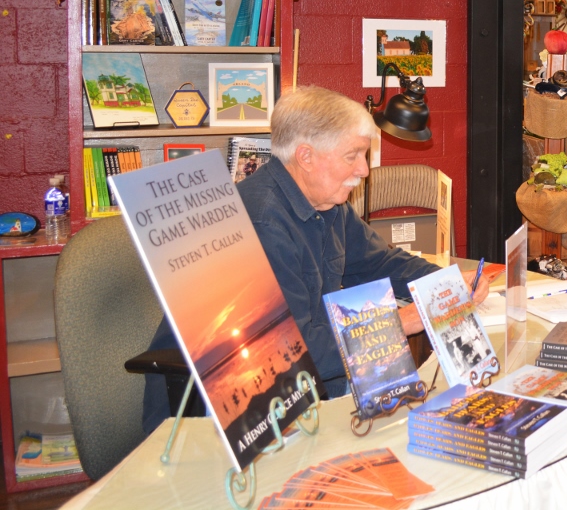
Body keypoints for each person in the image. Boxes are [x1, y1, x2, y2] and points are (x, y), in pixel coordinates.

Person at [143, 86, 487, 431]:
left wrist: (446, 285)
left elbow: (380, 262)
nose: (364, 170)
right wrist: (409, 319)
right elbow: (292, 355)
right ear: (305, 157)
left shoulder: (327, 201)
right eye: (352, 156)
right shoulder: (263, 223)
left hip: (301, 389)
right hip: (220, 418)